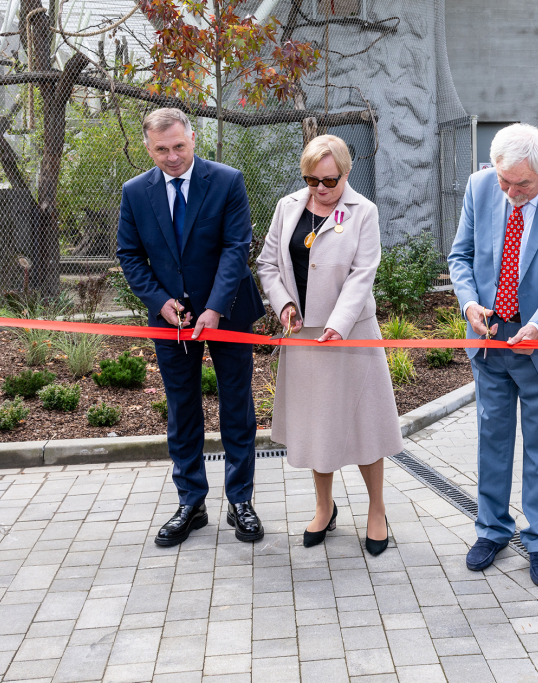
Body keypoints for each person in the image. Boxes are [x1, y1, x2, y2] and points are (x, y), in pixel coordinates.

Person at [448, 123, 538, 587]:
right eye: (504, 182)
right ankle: (491, 529)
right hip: (490, 344)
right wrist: (469, 302)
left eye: (522, 185)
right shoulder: (480, 185)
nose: (510, 192)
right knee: (492, 442)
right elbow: (461, 256)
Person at [117, 108, 267, 547]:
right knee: (182, 410)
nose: (172, 157)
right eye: (161, 149)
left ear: (193, 140)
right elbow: (129, 255)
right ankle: (191, 502)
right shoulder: (135, 192)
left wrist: (215, 308)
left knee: (236, 406)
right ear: (148, 147)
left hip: (229, 313)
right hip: (171, 320)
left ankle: (241, 500)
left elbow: (237, 247)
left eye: (179, 146)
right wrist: (161, 303)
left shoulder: (226, 181)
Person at [256, 135, 403, 556]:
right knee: (318, 427)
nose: (319, 189)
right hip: (303, 336)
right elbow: (267, 263)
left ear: (346, 171)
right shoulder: (288, 207)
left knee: (364, 424)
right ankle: (324, 508)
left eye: (328, 181)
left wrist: (339, 324)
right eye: (311, 180)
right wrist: (283, 304)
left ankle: (376, 510)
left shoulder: (364, 212)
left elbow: (363, 273)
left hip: (351, 335)